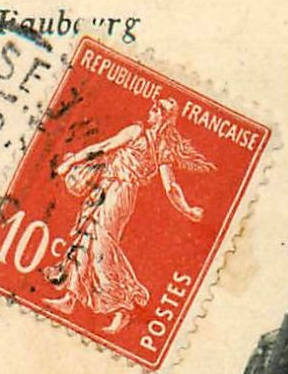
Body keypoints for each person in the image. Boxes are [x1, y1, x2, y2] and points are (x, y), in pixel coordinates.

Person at [42, 96, 214, 335]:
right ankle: (70, 297)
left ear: (163, 117)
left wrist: (70, 163)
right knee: (88, 236)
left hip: (119, 192)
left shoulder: (147, 138)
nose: (151, 112)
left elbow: (169, 186)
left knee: (102, 246)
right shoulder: (147, 137)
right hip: (108, 187)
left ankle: (123, 306)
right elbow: (105, 148)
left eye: (156, 110)